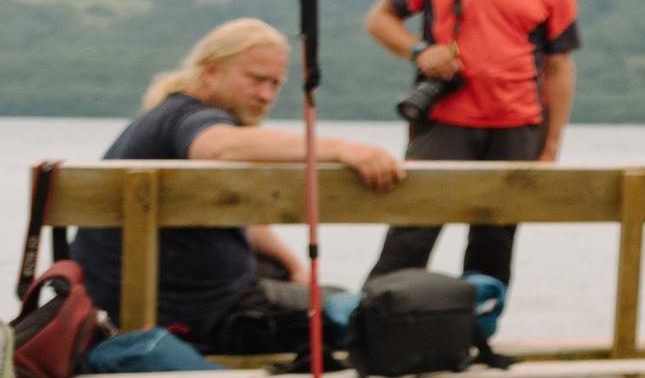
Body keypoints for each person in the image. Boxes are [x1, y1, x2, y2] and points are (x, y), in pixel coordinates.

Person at [68, 20, 405, 352]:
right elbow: (218, 146)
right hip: (194, 314)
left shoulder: (165, 116)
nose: (266, 95)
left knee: (317, 292)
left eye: (275, 84)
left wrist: (296, 267)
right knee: (354, 310)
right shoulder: (192, 119)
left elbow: (242, 218)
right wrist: (341, 149)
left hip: (159, 302)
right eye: (257, 79)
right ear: (211, 70)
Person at [361, 0, 580, 285]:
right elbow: (379, 20)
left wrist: (551, 148)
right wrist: (420, 51)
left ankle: (479, 340)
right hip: (444, 121)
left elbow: (560, 66)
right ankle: (373, 334)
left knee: (495, 242)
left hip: (517, 125)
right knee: (411, 231)